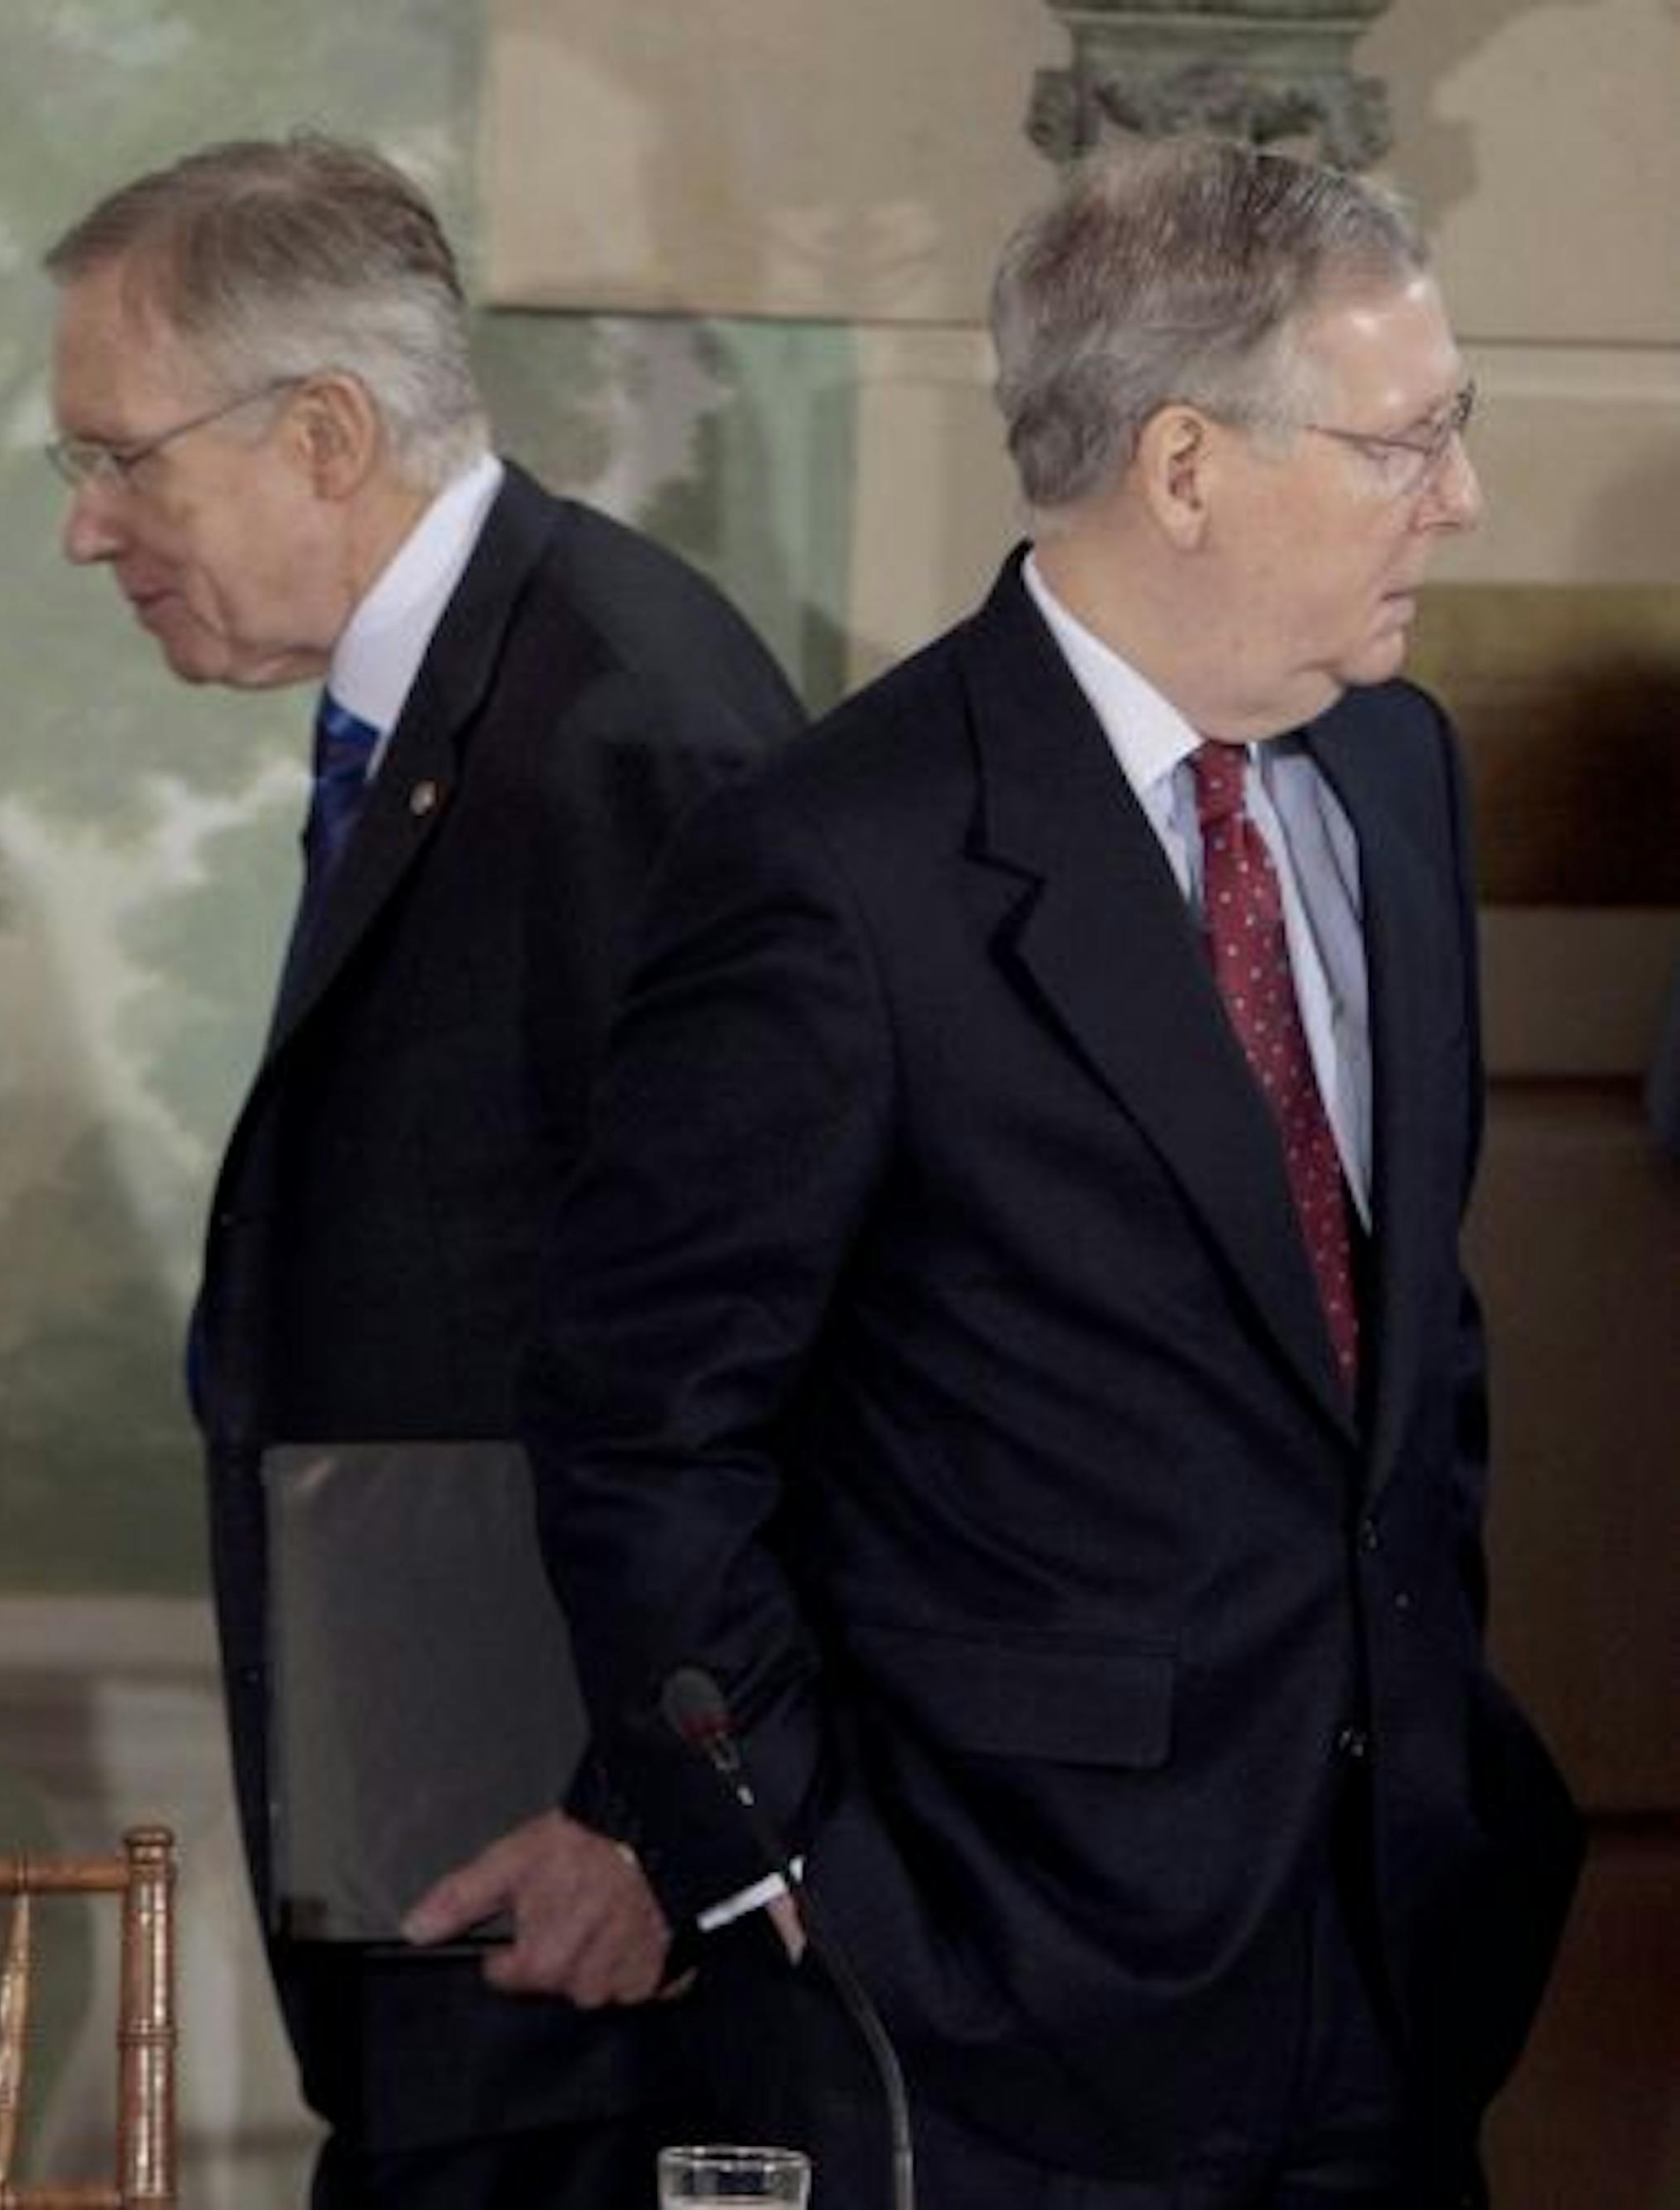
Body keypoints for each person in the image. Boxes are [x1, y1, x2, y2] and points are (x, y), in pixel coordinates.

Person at [519, 136, 1582, 2208]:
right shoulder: (834, 868)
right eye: (1408, 441)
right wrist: (769, 1863)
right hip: (999, 2003)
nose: (1458, 498)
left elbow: (1399, 1334)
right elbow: (648, 1427)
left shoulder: (1395, 767)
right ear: (1185, 466)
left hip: (1397, 1956)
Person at [44, 134, 803, 2209]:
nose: (87, 528)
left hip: (568, 1903)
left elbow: (781, 1332)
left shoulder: (624, 725)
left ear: (324, 432)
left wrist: (652, 1812)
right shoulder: (469, 691)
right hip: (444, 1855)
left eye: (121, 463)